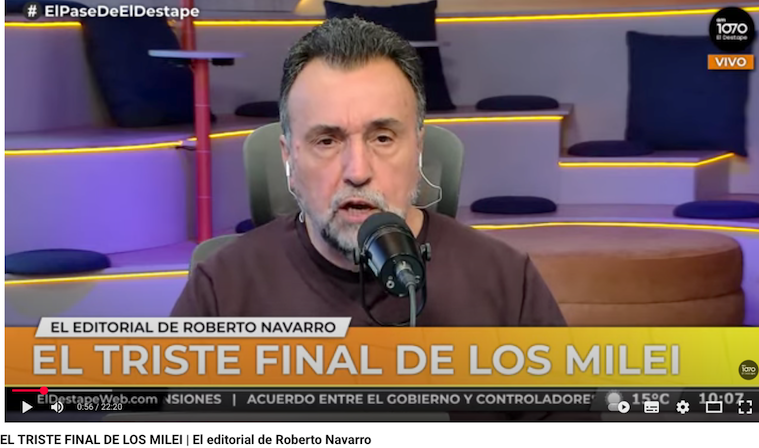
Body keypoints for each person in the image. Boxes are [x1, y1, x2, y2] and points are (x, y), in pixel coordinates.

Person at [171, 17, 565, 328]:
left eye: (382, 138)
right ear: (288, 159)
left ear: (418, 149)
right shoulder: (220, 291)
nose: (357, 172)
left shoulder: (507, 283)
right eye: (327, 141)